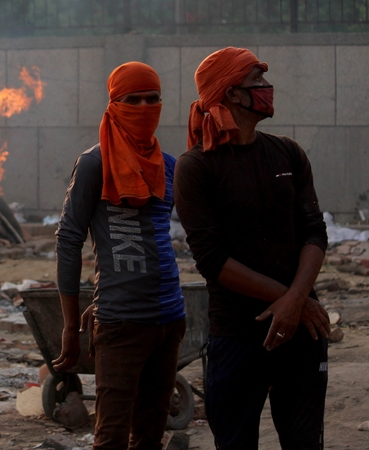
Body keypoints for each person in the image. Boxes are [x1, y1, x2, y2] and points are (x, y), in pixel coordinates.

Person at [174, 47, 331, 449]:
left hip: (301, 333)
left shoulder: (288, 153)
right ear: (231, 94)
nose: (267, 89)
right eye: (256, 82)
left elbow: (314, 232)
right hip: (238, 336)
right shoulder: (196, 168)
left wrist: (295, 302)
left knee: (304, 442)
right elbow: (212, 259)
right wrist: (293, 299)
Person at [53, 61, 186, 450]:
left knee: (150, 436)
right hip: (121, 323)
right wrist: (68, 324)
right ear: (114, 105)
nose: (145, 108)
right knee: (110, 438)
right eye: (133, 100)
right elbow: (69, 240)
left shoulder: (170, 167)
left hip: (171, 318)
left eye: (153, 99)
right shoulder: (95, 163)